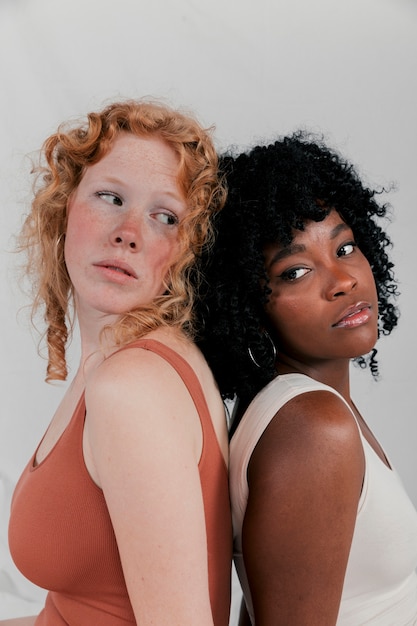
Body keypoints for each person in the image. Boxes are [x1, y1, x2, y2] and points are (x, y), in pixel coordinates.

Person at [3, 99, 232, 625]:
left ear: (185, 251)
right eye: (111, 197)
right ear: (64, 212)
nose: (129, 231)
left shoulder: (134, 388)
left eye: (164, 216)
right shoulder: (120, 360)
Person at [196, 132, 417, 625]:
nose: (343, 281)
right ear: (247, 305)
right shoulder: (313, 428)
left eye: (345, 247)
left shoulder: (301, 408)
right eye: (294, 271)